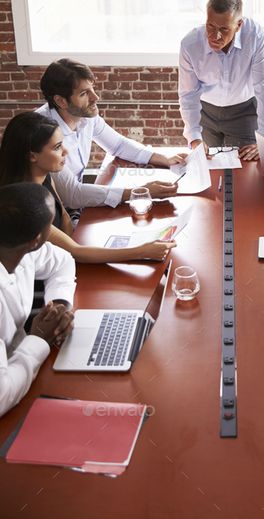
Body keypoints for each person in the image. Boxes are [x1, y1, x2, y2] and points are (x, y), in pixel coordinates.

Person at [0, 112, 176, 264]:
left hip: (65, 260)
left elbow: (65, 219)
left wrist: (80, 247)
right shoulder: (25, 206)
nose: (66, 153)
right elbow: (75, 252)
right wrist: (141, 252)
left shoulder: (43, 176)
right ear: (32, 156)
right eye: (57, 147)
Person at [37, 58, 187, 209]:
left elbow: (118, 145)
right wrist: (139, 192)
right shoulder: (43, 133)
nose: (95, 97)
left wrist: (163, 159)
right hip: (51, 213)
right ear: (61, 101)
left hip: (73, 203)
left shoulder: (86, 117)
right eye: (84, 93)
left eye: (92, 89)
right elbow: (72, 195)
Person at [0, 182, 76, 417]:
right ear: (37, 238)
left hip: (25, 371)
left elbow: (63, 261)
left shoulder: (18, 246)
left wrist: (60, 307)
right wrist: (39, 339)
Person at [178, 0, 264, 161]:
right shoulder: (190, 44)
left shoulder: (255, 37)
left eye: (224, 29)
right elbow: (188, 95)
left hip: (243, 111)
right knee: (210, 169)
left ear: (238, 25)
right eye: (210, 26)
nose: (215, 36)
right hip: (205, 113)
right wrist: (194, 138)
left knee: (248, 169)